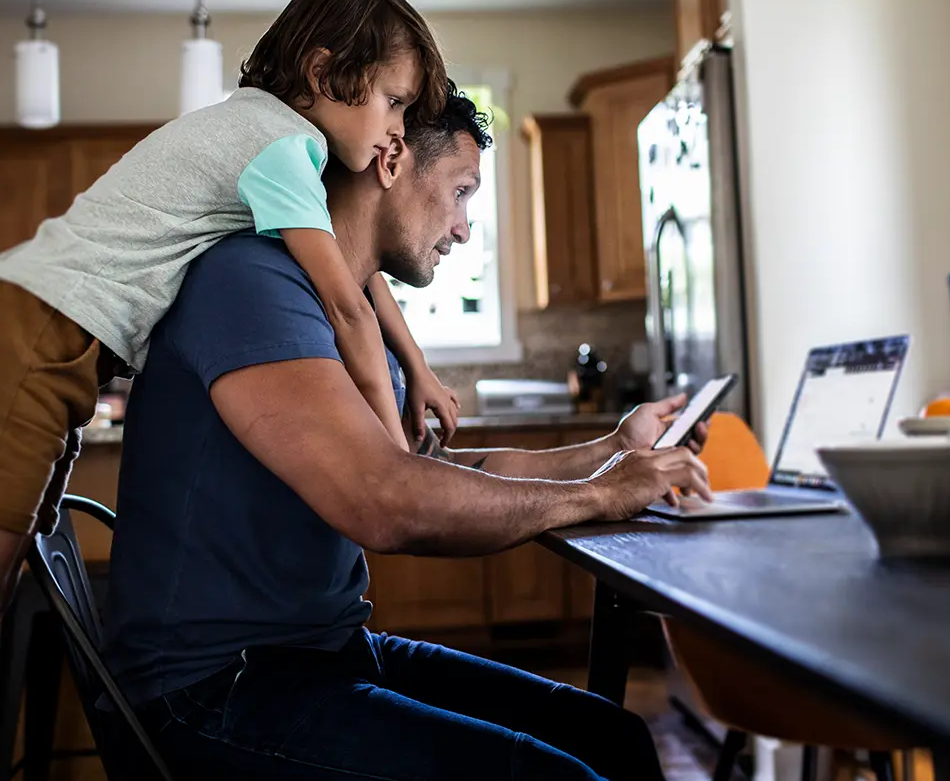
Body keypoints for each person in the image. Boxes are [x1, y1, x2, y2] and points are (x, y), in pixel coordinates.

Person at [100, 84, 712, 780]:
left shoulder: (351, 302)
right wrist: (602, 496)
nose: (464, 227)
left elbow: (433, 468)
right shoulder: (250, 281)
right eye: (460, 191)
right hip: (211, 690)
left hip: (320, 653)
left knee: (614, 740)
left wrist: (610, 455)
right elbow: (386, 499)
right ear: (389, 163)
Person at [0, 0, 459, 618]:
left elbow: (359, 277)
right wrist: (391, 460)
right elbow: (346, 305)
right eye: (394, 101)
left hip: (50, 331)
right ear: (325, 73)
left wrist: (417, 368)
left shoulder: (268, 136)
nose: (397, 130)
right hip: (39, 329)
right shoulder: (281, 146)